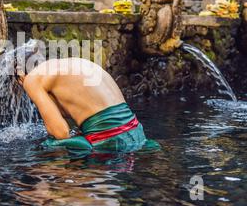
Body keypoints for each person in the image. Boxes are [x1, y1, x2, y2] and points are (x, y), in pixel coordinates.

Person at [11, 44, 155, 153]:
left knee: (48, 147)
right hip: (137, 132)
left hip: (109, 140)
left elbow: (61, 133)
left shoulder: (31, 78)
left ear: (20, 74)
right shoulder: (66, 65)